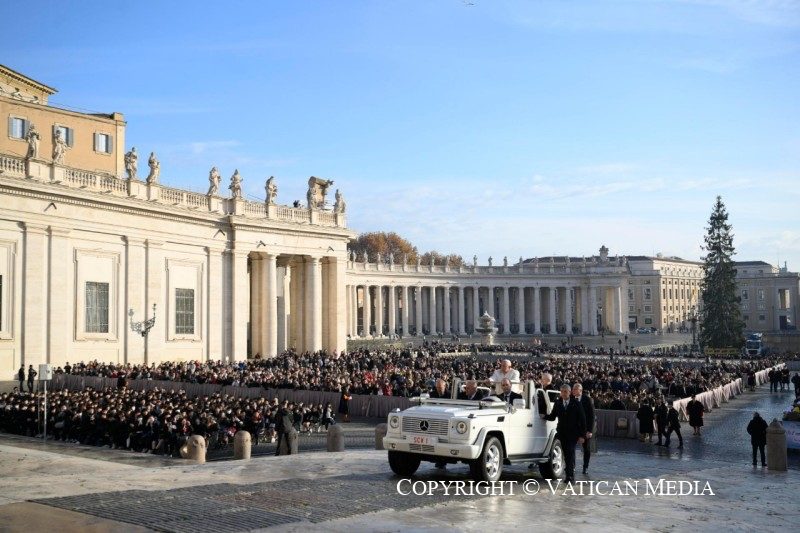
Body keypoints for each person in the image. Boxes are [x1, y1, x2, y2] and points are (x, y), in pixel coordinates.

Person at [545, 384, 586, 483]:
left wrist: (582, 435)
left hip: (573, 434)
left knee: (570, 452)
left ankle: (570, 476)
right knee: (566, 454)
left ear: (569, 392)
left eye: (565, 391)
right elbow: (553, 416)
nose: (563, 393)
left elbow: (582, 419)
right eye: (562, 391)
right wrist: (543, 416)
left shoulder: (576, 403)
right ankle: (569, 473)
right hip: (562, 433)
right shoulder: (558, 403)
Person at [572, 383, 595, 474]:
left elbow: (591, 416)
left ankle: (585, 467)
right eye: (573, 389)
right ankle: (572, 466)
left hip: (585, 429)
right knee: (571, 448)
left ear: (580, 390)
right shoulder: (571, 399)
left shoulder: (587, 400)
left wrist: (589, 430)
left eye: (575, 389)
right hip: (573, 428)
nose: (573, 391)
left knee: (586, 449)